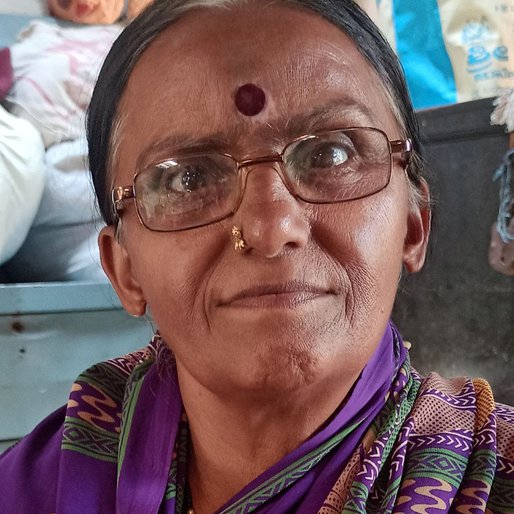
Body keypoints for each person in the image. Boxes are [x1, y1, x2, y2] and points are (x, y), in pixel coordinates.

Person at [1, 0, 513, 512]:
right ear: (124, 269)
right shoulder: (41, 487)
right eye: (188, 178)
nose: (271, 229)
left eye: (331, 154)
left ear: (413, 224)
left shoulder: (492, 480)